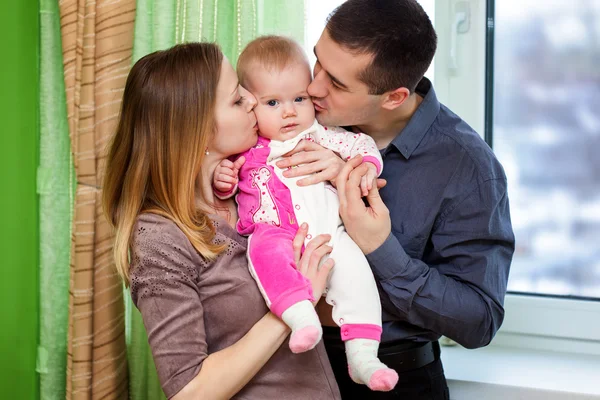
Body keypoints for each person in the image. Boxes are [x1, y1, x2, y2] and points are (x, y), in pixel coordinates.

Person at [275, 1, 516, 399]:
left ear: (394, 96)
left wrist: (380, 248)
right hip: (286, 368)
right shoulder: (298, 114)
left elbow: (479, 321)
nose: (313, 87)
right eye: (317, 62)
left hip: (394, 380)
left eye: (336, 83)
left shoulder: (467, 168)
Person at [102, 42, 342, 400]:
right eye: (236, 99)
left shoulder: (248, 189)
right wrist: (291, 303)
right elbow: (188, 392)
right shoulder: (160, 238)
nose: (252, 101)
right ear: (196, 130)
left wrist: (337, 173)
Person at [212, 35, 398, 392]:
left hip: (332, 232)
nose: (289, 111)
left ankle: (363, 356)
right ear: (251, 105)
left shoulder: (325, 135)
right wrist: (224, 180)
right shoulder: (249, 146)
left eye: (299, 98)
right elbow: (228, 188)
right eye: (272, 102)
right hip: (275, 230)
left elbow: (363, 147)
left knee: (359, 277)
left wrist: (365, 169)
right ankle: (300, 318)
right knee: (264, 255)